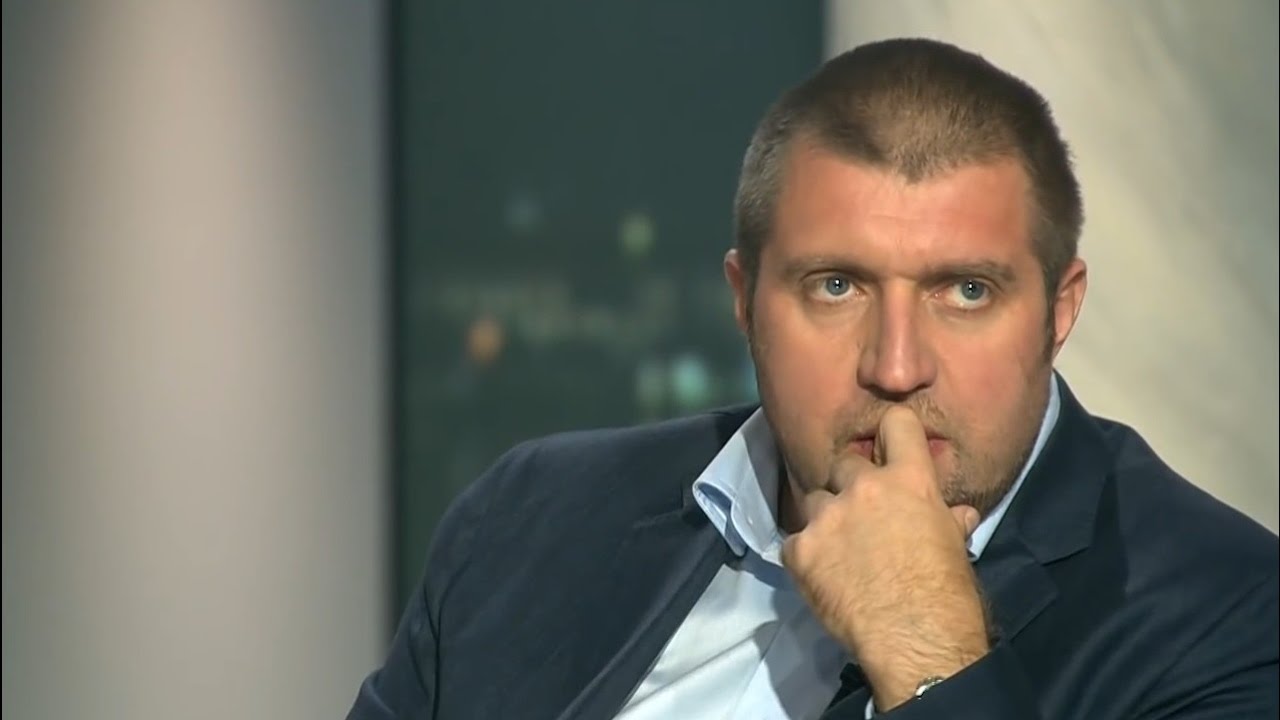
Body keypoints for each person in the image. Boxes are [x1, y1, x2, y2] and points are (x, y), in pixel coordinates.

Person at [348, 38, 1279, 719]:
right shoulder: (530, 517)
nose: (897, 368)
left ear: (1059, 311)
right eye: (836, 286)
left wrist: (929, 653)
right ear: (745, 300)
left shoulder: (1229, 616)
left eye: (966, 291)